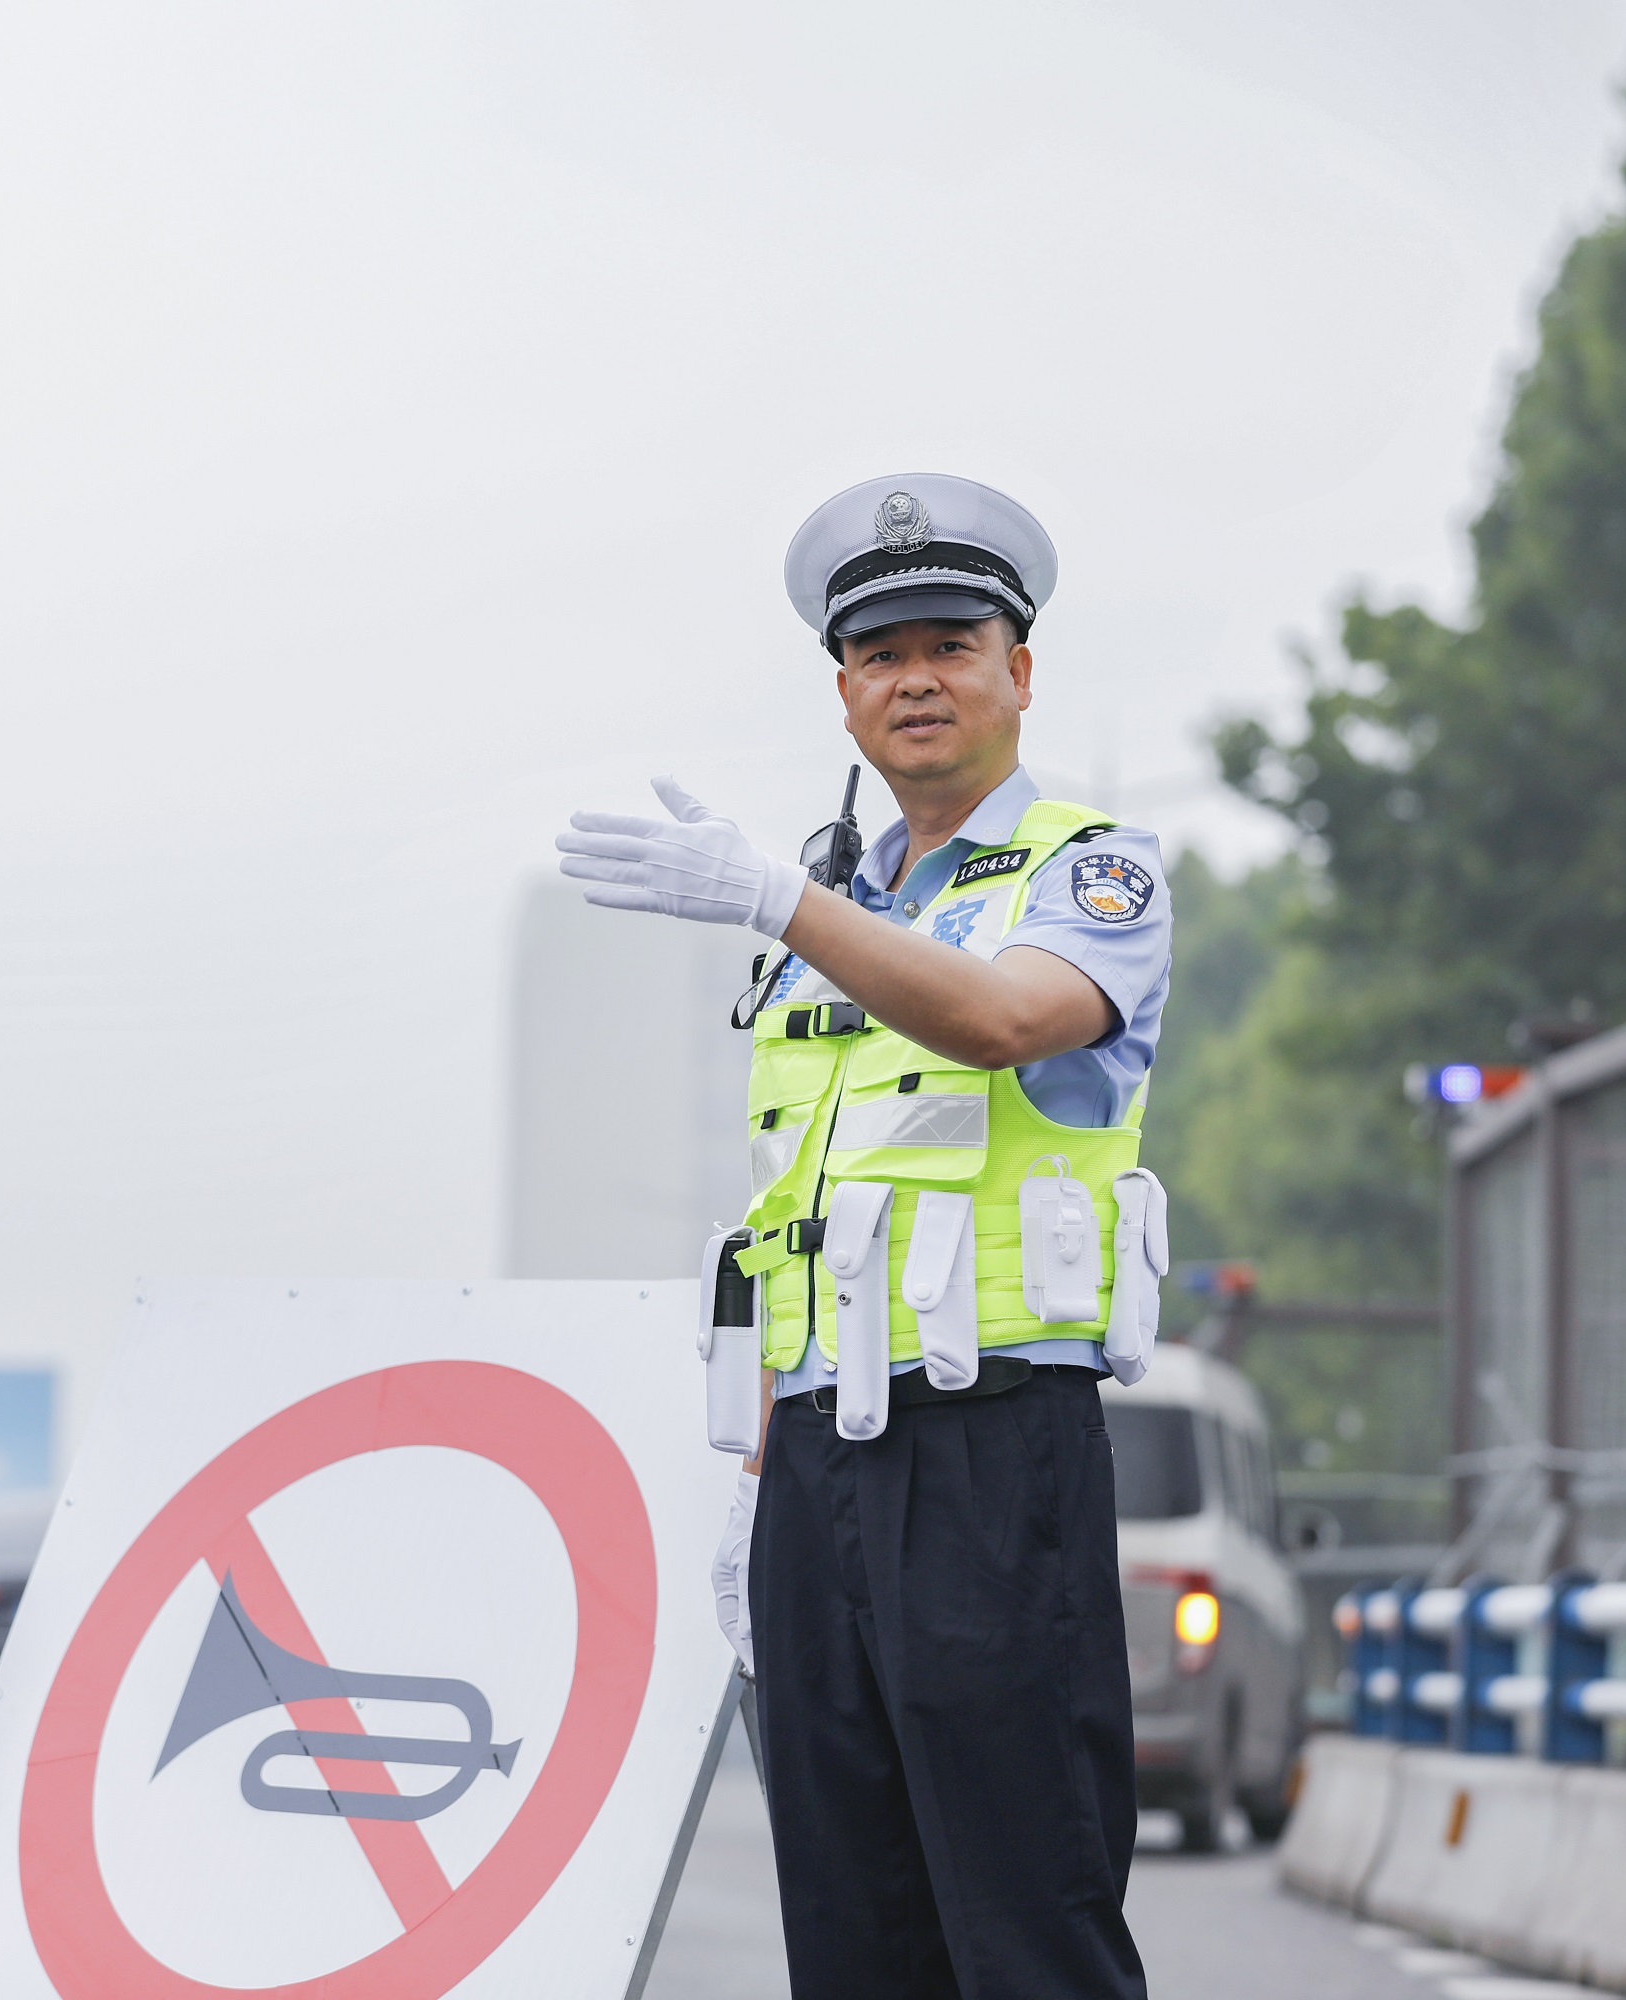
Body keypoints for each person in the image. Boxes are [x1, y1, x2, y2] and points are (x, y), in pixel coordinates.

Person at [554, 474, 1171, 2000]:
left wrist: (777, 899)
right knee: (850, 1934)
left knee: (1027, 1926)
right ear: (843, 695)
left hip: (990, 1456)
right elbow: (798, 1219)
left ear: (1019, 673)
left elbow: (1004, 1021)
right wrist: (765, 1470)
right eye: (881, 656)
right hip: (819, 1463)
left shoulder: (1088, 872)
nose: (916, 679)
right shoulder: (838, 908)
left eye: (952, 644)